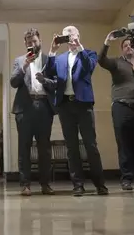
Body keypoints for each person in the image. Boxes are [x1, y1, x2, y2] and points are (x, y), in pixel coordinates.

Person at [45, 26, 108, 196]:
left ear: (78, 36)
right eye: (66, 36)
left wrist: (80, 48)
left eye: (72, 34)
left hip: (83, 104)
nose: (69, 38)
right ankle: (77, 184)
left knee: (91, 145)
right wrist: (52, 50)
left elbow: (88, 67)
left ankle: (100, 184)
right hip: (65, 106)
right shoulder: (59, 58)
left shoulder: (89, 53)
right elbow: (48, 73)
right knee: (71, 147)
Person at [10, 28, 57, 196]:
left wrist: (45, 80)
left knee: (44, 148)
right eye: (28, 43)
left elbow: (56, 83)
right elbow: (13, 82)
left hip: (44, 106)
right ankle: (25, 185)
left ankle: (45, 184)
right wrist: (24, 66)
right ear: (25, 44)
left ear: (40, 41)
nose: (31, 45)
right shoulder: (19, 61)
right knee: (24, 148)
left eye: (34, 42)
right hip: (24, 108)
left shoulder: (48, 60)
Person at [99, 33, 134, 191]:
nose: (128, 47)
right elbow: (101, 60)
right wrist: (107, 42)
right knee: (124, 144)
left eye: (131, 45)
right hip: (121, 106)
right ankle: (127, 178)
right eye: (125, 45)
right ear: (122, 50)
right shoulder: (116, 62)